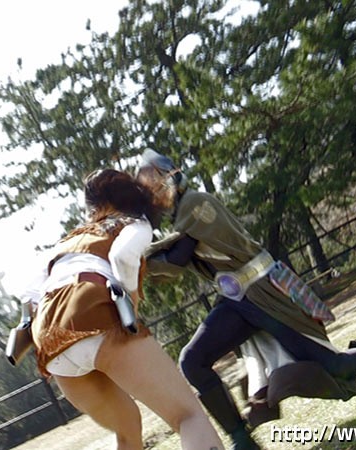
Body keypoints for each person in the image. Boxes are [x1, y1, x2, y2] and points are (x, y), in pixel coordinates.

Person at [136, 150, 356, 450]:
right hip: (236, 300)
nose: (152, 189)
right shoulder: (181, 219)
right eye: (146, 185)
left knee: (335, 366)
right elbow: (171, 258)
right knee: (192, 361)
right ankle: (242, 441)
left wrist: (133, 256)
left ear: (170, 174)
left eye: (154, 180)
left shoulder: (195, 204)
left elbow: (177, 258)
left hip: (265, 292)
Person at [18, 168, 224, 450]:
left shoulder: (67, 241)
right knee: (188, 416)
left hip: (49, 340)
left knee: (128, 428)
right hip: (92, 311)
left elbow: (28, 293)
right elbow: (122, 256)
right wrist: (131, 303)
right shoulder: (135, 224)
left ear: (95, 205)